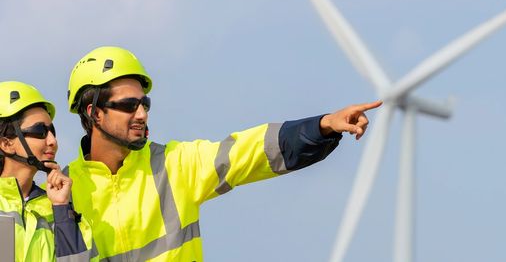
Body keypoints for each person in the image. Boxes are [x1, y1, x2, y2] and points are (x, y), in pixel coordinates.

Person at [64, 46, 382, 261]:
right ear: (94, 113)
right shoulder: (62, 193)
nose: (142, 114)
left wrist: (323, 126)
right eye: (128, 105)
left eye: (144, 104)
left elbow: (251, 150)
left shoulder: (173, 165)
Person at [0, 81, 96, 261]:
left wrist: (62, 208)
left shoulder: (59, 209)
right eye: (40, 131)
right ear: (6, 144)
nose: (52, 141)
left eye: (53, 131)